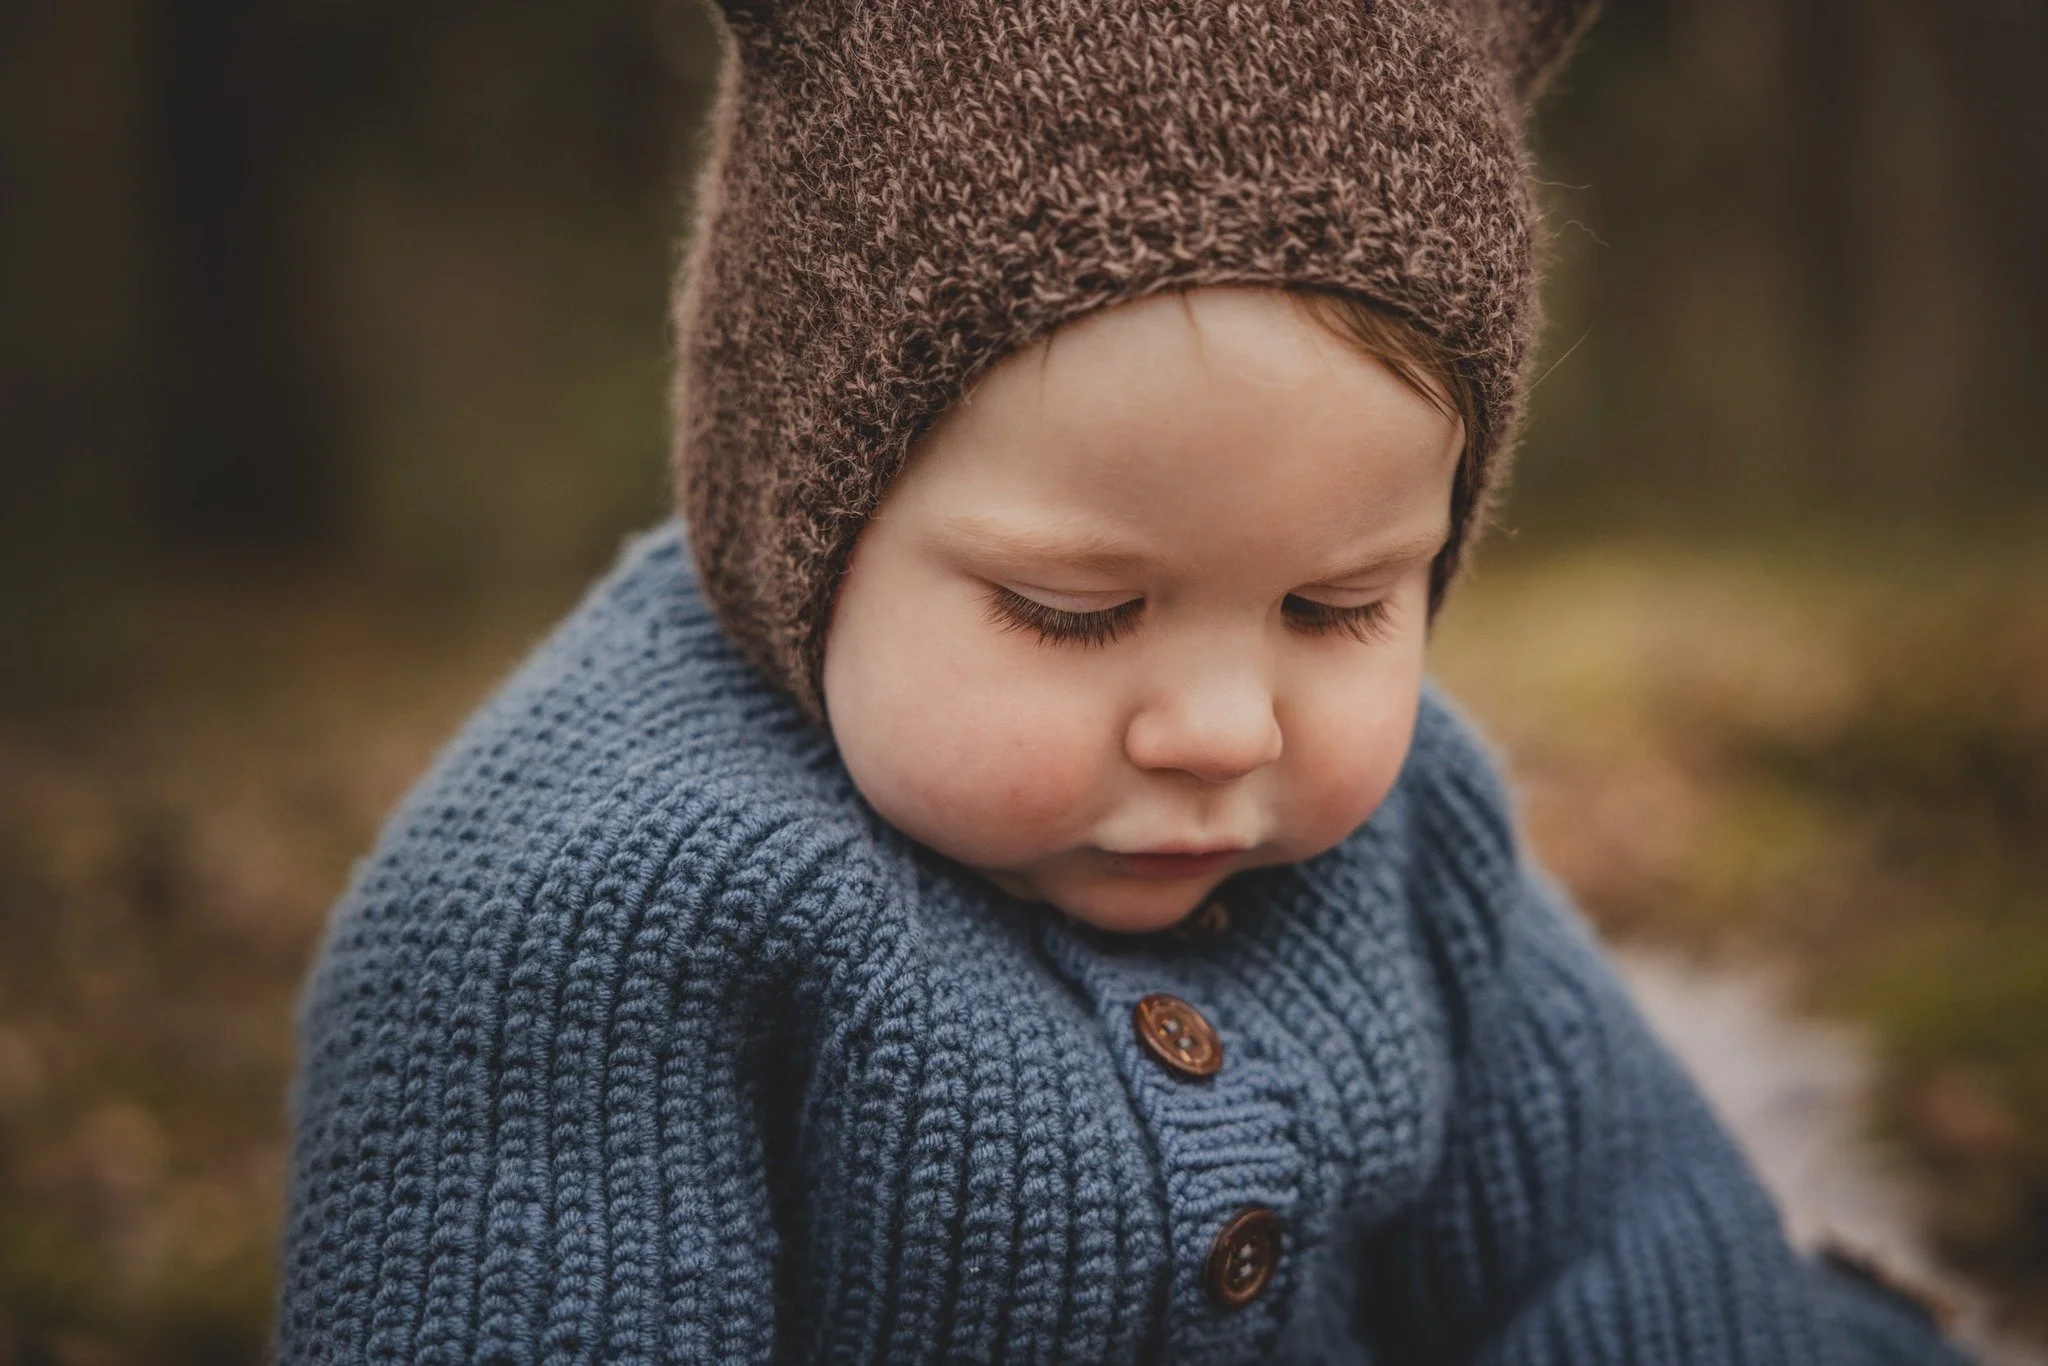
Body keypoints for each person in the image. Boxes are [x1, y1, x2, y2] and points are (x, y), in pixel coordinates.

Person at [275, 0, 1977, 1360]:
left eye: (1335, 605)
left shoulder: (1409, 832)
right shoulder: (584, 902)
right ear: (807, 515)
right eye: (1075, 611)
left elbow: (1620, 1217)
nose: (1225, 729)